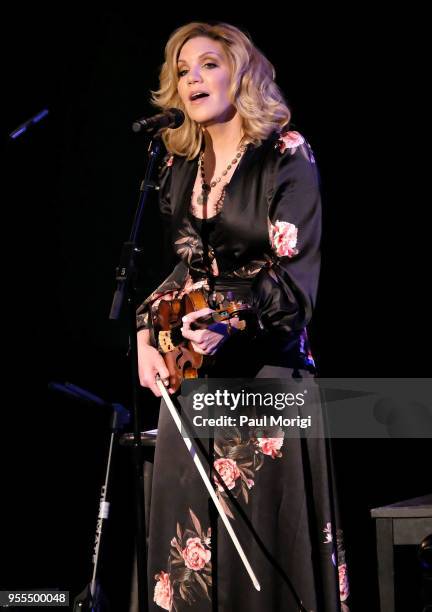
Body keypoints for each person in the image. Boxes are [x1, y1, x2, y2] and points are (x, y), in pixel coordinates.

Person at [135, 21, 350, 612]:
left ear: (241, 72)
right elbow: (181, 273)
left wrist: (235, 322)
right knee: (192, 562)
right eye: (183, 71)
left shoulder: (285, 153)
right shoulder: (179, 173)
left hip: (267, 375)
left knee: (265, 561)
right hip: (196, 380)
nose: (193, 78)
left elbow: (293, 279)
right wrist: (145, 333)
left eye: (208, 63)